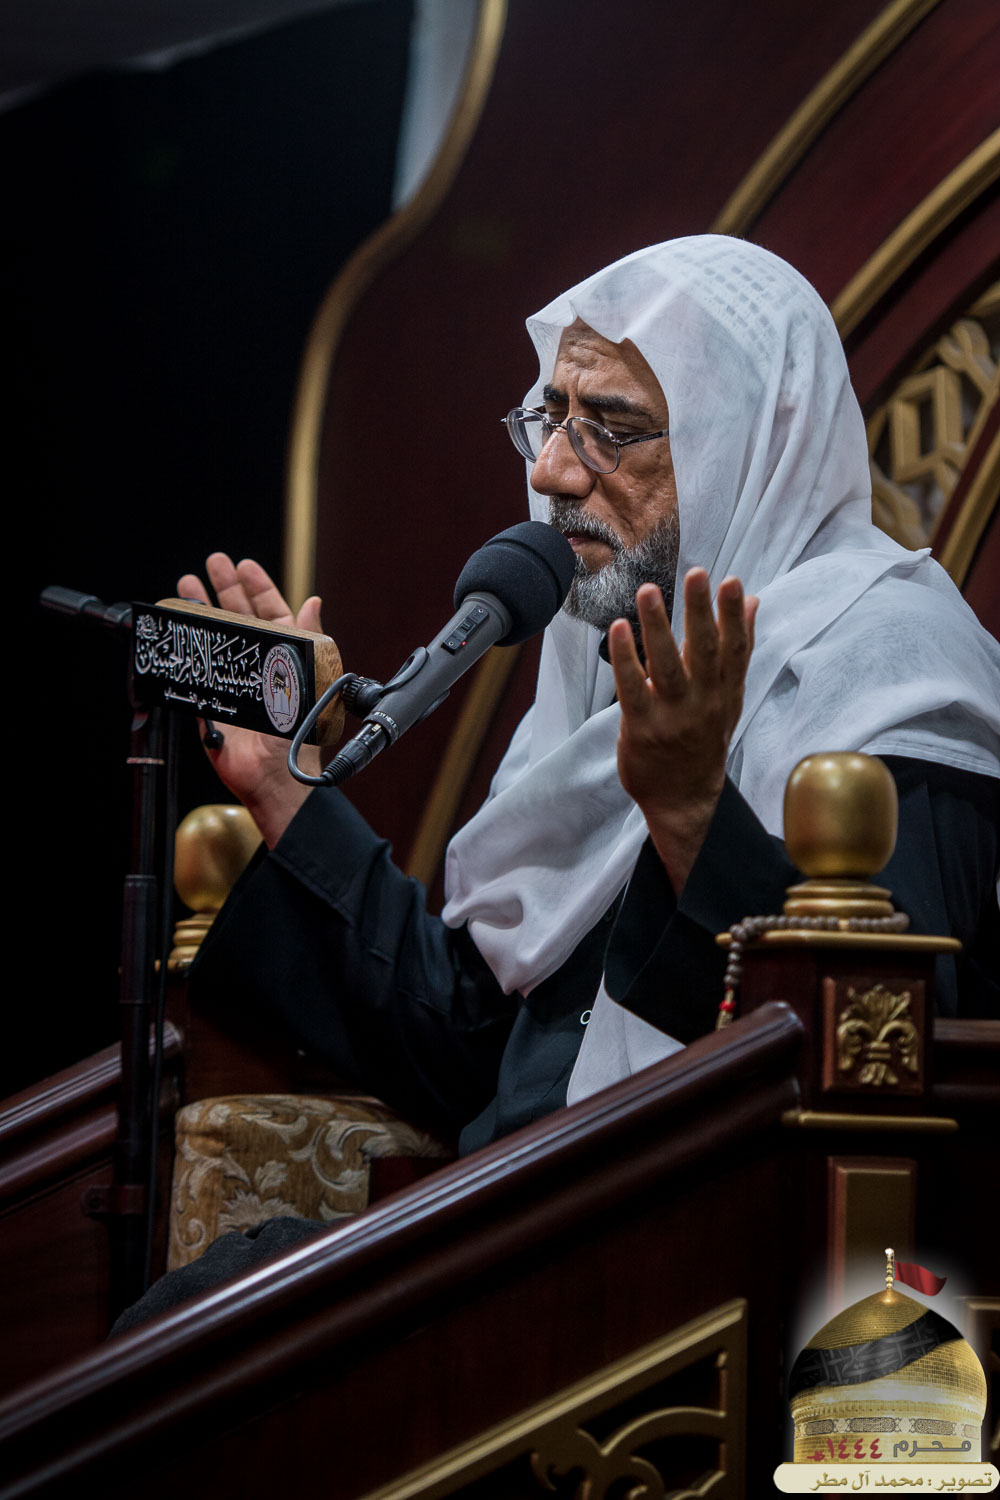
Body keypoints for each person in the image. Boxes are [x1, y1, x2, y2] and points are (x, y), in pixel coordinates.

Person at [111, 235, 998, 1333]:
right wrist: (282, 790)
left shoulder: (892, 667)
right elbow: (481, 1053)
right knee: (192, 1314)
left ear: (745, 443)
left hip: (701, 1295)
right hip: (525, 1228)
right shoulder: (596, 667)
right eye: (551, 418)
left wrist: (691, 815)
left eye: (611, 428)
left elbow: (884, 1076)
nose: (553, 473)